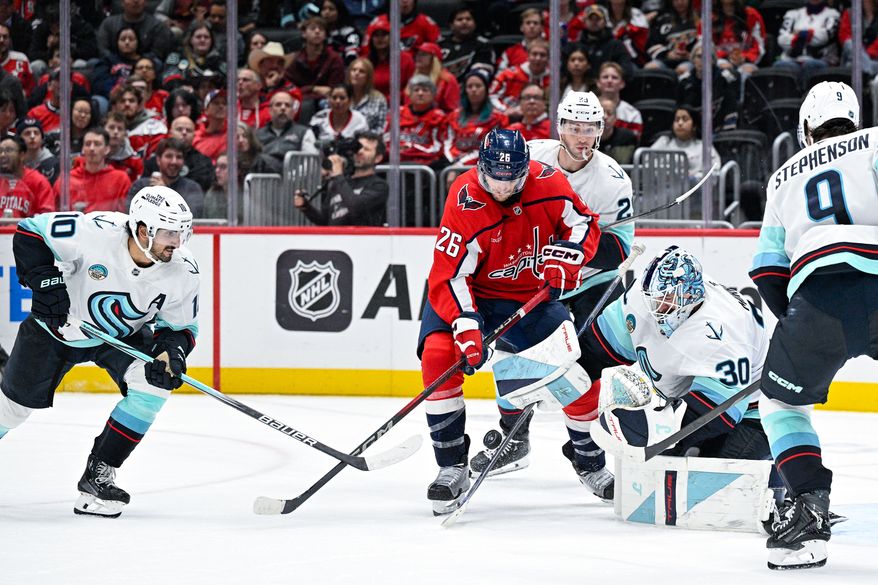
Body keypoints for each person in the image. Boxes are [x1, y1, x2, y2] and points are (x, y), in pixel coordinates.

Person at [418, 128, 600, 514]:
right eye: (493, 178)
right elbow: (450, 275)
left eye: (511, 179)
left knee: (573, 361)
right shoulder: (464, 198)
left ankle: (585, 454)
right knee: (438, 356)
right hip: (467, 295)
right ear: (480, 167)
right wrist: (466, 324)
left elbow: (585, 224)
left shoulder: (550, 183)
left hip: (523, 296)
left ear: (527, 169)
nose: (501, 188)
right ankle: (451, 466)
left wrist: (569, 257)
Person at [0, 185, 198, 518]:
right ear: (142, 229)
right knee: (11, 411)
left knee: (154, 384)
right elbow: (31, 231)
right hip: (56, 330)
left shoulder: (183, 269)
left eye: (181, 233)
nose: (177, 243)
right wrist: (45, 282)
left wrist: (171, 352)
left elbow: (180, 328)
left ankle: (98, 475)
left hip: (121, 337)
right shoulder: (95, 230)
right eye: (168, 233)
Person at [472, 92, 634, 498]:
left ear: (601, 130)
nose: (582, 136)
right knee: (512, 353)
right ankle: (513, 438)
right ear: (559, 126)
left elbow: (621, 247)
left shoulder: (612, 181)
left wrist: (572, 252)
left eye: (590, 128)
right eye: (574, 127)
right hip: (529, 279)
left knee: (573, 369)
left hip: (589, 285)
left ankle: (583, 453)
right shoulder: (532, 156)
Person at [749, 82, 878, 570]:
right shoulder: (874, 143)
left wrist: (797, 331)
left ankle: (807, 517)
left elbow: (766, 269)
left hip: (818, 298)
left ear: (806, 127)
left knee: (781, 404)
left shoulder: (782, 177)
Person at [586, 246, 773, 500]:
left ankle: (781, 482)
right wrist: (568, 380)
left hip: (756, 411)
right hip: (691, 397)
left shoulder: (724, 330)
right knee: (663, 479)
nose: (656, 307)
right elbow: (596, 348)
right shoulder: (644, 298)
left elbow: (718, 415)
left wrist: (655, 436)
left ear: (690, 296)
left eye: (666, 300)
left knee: (705, 491)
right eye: (654, 298)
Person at [294, 130, 388, 226]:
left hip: (360, 239)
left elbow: (356, 207)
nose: (360, 151)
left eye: (366, 149)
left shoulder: (379, 185)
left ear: (378, 158)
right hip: (335, 238)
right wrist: (306, 207)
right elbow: (325, 221)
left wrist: (338, 175)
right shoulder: (339, 181)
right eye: (358, 147)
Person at [57, 127, 133, 213]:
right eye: (88, 144)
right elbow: (53, 212)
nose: (92, 148)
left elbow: (125, 216)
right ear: (82, 149)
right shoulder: (67, 179)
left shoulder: (120, 179)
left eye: (97, 144)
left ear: (107, 149)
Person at [442, 68, 508, 168]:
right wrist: (454, 160)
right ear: (465, 90)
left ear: (486, 90)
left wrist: (462, 163)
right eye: (470, 86)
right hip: (453, 163)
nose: (474, 90)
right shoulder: (453, 116)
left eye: (478, 86)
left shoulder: (497, 118)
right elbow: (448, 142)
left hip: (483, 167)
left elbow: (493, 149)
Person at [285, 16, 346, 123]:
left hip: (327, 105)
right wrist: (313, 88)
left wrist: (304, 90)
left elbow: (335, 90)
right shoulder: (294, 59)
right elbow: (288, 89)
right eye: (313, 28)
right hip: (298, 103)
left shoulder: (334, 59)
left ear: (325, 35)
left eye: (321, 29)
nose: (317, 31)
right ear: (304, 33)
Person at [128, 137, 205, 217]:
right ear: (158, 160)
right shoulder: (140, 186)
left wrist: (166, 193)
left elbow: (192, 218)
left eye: (179, 157)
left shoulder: (192, 188)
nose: (174, 162)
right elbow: (132, 214)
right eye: (169, 156)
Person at [650, 105, 721, 184]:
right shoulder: (663, 143)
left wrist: (694, 178)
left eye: (685, 119)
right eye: (677, 120)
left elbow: (715, 172)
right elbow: (647, 168)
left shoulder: (704, 147)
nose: (680, 123)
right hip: (663, 192)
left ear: (694, 126)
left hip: (695, 193)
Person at [143, 115, 215, 192]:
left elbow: (197, 192)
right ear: (170, 132)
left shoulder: (203, 163)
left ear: (194, 135)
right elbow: (142, 187)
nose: (184, 133)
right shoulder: (154, 161)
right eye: (179, 129)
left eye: (189, 130)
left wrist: (166, 190)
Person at [775, 0, 841, 83]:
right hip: (792, 60)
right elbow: (782, 40)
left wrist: (799, 34)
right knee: (780, 65)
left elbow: (824, 37)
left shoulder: (833, 14)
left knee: (811, 65)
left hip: (822, 60)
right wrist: (810, 34)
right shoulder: (793, 14)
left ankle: (809, 94)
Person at [489, 38, 551, 119]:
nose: (538, 58)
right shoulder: (509, 75)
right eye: (534, 54)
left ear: (548, 58)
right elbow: (492, 96)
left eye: (542, 55)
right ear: (528, 56)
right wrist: (505, 110)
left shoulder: (552, 80)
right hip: (507, 118)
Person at [96, 0, 176, 61]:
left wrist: (136, 60)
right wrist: (116, 61)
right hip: (113, 64)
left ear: (146, 2)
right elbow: (102, 48)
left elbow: (157, 53)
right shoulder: (108, 23)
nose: (136, 1)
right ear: (122, 3)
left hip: (145, 66)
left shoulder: (157, 26)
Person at [256, 91, 319, 162]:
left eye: (287, 105)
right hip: (264, 172)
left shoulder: (304, 132)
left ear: (293, 111)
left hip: (292, 171)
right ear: (270, 110)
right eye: (278, 105)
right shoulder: (257, 134)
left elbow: (310, 162)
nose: (283, 108)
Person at [0, 135, 55, 218]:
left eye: (8, 150)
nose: (3, 155)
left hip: (24, 230)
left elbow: (46, 216)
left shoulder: (38, 181)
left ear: (22, 155)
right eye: (0, 151)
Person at [438, 6, 495, 81]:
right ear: (451, 25)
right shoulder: (439, 44)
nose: (464, 22)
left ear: (475, 24)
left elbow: (483, 72)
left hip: (469, 88)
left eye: (468, 19)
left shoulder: (483, 44)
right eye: (459, 19)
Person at [409, 42, 459, 115]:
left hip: (438, 121)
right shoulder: (414, 78)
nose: (418, 57)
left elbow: (452, 109)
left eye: (423, 54)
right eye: (418, 54)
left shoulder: (447, 79)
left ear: (434, 58)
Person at [496, 8, 544, 73]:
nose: (532, 26)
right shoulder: (509, 53)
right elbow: (499, 77)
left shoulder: (551, 52)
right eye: (528, 23)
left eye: (535, 23)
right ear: (521, 27)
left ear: (542, 28)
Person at [347, 57, 388, 134]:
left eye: (361, 71)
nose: (356, 73)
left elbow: (381, 127)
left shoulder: (379, 99)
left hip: (369, 142)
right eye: (353, 70)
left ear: (368, 77)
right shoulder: (342, 96)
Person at [105, 110, 145, 184]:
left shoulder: (135, 161)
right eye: (111, 127)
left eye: (120, 129)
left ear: (125, 134)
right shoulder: (95, 155)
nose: (116, 132)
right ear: (103, 130)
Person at [17, 118, 59, 184]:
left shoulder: (53, 164)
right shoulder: (15, 162)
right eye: (27, 133)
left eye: (36, 133)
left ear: (42, 138)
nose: (32, 136)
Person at [598, 97, 638, 165]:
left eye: (609, 113)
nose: (605, 117)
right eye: (600, 113)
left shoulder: (628, 138)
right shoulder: (587, 138)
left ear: (615, 118)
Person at [192, 89, 228, 162]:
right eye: (216, 103)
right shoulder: (195, 138)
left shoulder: (235, 135)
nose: (221, 106)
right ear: (206, 110)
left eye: (224, 103)